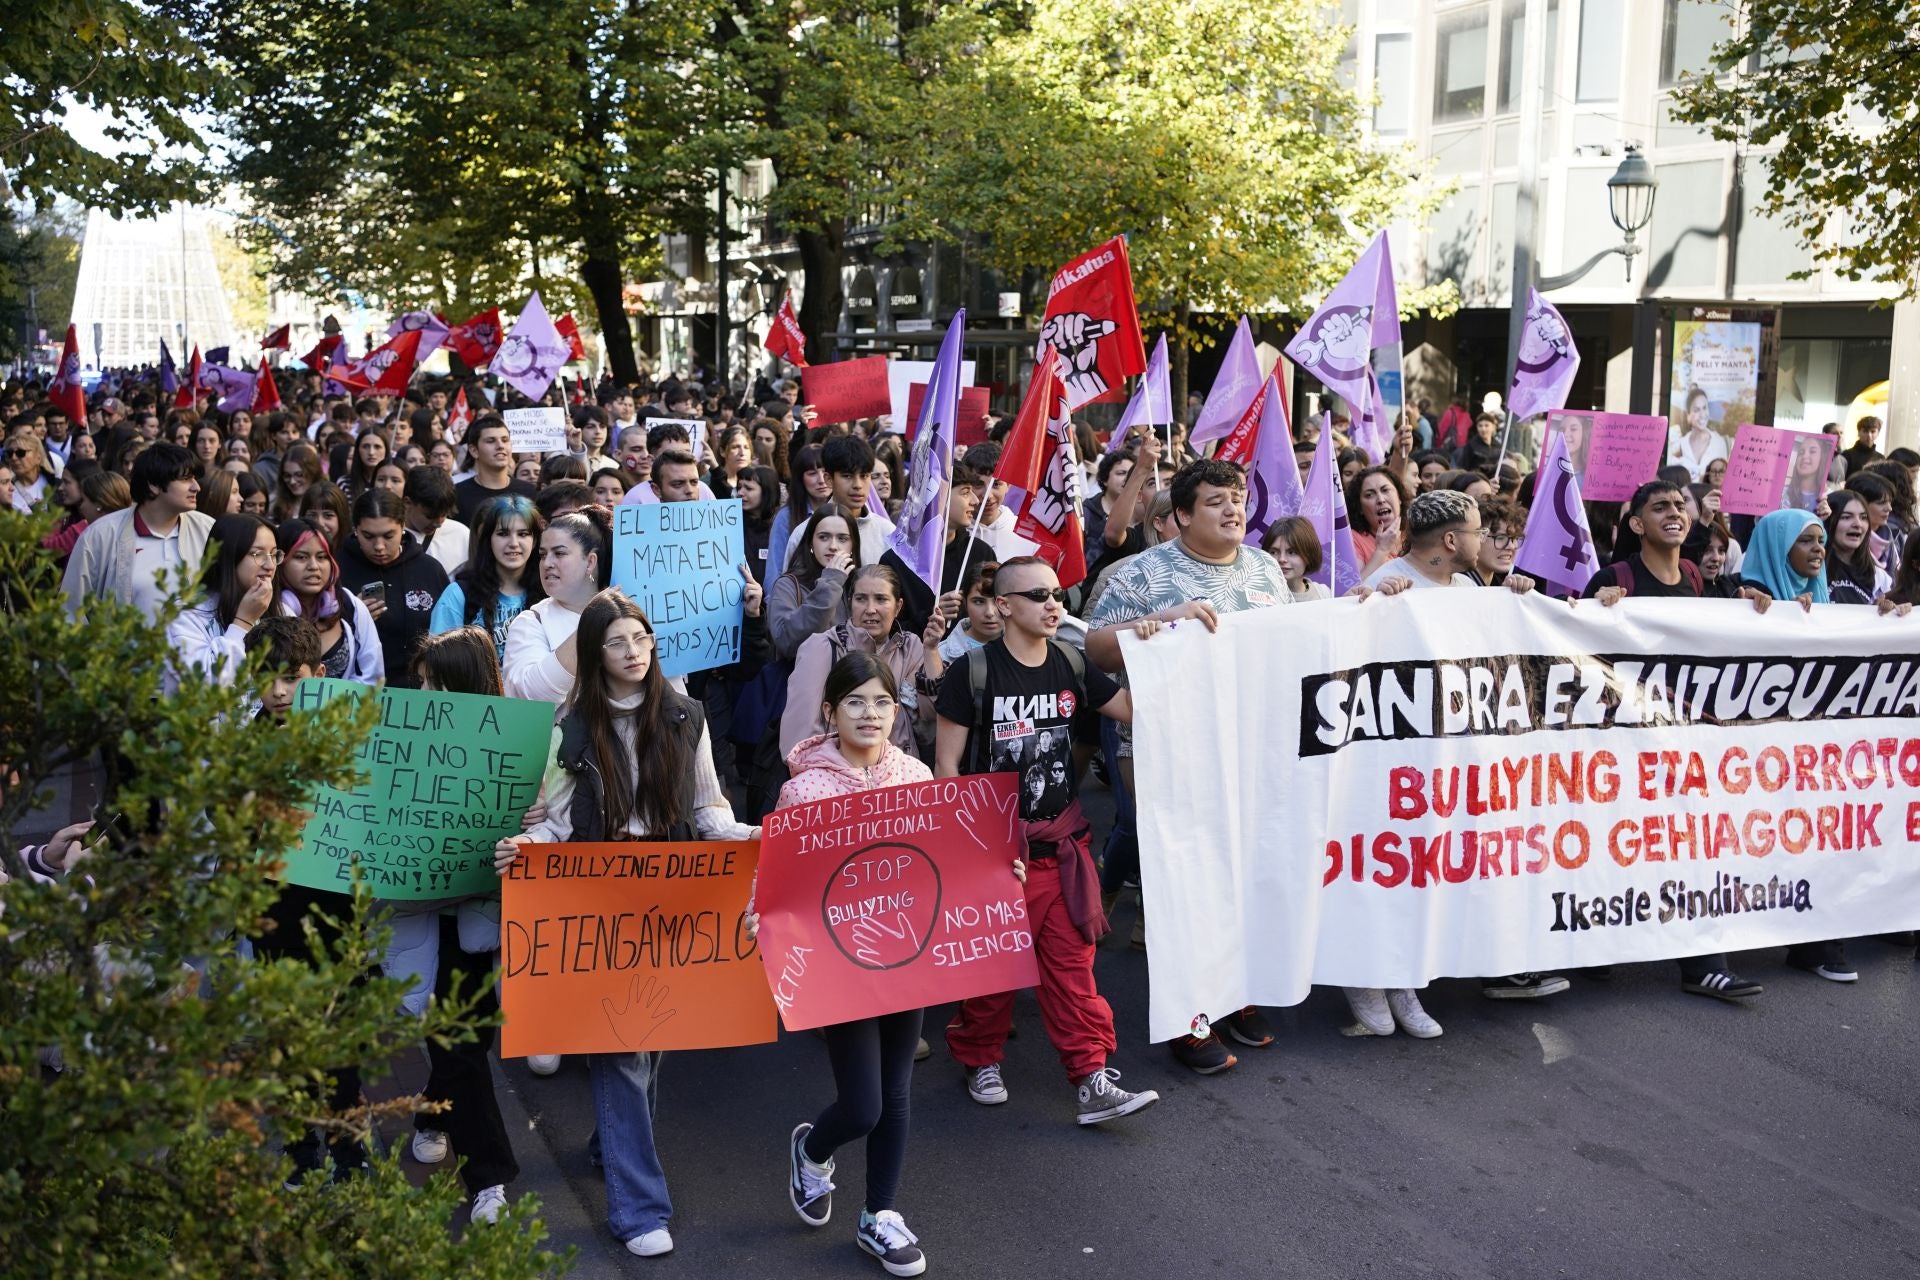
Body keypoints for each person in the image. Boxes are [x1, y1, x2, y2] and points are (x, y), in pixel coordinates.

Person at [495, 591, 758, 1259]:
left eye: (640, 637)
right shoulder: (568, 727)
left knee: (650, 1039)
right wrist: (526, 849)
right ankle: (639, 1208)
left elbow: (710, 814)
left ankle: (607, 1145)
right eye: (616, 642)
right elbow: (554, 820)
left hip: (669, 896)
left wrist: (764, 837)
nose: (633, 651)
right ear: (594, 653)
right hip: (596, 896)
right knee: (623, 1048)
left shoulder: (684, 715)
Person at [1084, 459, 1293, 1072]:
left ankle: (1235, 994)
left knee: (1239, 879)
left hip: (1247, 749)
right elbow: (1093, 647)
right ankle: (1189, 1016)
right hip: (1164, 753)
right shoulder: (1142, 574)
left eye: (1237, 499)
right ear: (1179, 514)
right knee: (1186, 886)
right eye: (1214, 502)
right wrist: (1156, 624)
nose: (1232, 510)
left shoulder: (1262, 568)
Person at [935, 557, 1159, 1126]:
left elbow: (1130, 709)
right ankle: (980, 1058)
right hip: (993, 853)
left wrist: (1155, 643)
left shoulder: (1071, 661)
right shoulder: (973, 672)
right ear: (1005, 606)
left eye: (1057, 593)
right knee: (993, 970)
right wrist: (975, 849)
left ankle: (1090, 1078)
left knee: (1072, 968)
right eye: (1037, 594)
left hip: (1061, 850)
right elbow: (947, 769)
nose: (1052, 602)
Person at [759, 653, 941, 1277]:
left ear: (899, 710)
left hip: (906, 958)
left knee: (896, 1094)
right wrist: (768, 915)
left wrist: (998, 877)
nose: (870, 714)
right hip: (840, 967)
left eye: (882, 702)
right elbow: (782, 881)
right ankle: (813, 1149)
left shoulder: (916, 776)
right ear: (831, 712)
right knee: (862, 1105)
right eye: (856, 703)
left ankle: (878, 1217)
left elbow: (947, 866)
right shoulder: (802, 789)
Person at [1583, 480, 1775, 1001]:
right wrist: (1597, 608)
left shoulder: (1698, 579)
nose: (1675, 512)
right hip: (1626, 748)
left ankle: (1704, 964)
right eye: (1660, 506)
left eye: (1679, 506)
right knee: (1615, 845)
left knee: (1693, 847)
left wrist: (1750, 604)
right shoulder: (1615, 577)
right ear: (1637, 524)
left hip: (1687, 749)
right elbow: (1573, 655)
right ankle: (1592, 946)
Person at [389, 627, 525, 1226]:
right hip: (422, 917)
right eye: (419, 683)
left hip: (480, 920)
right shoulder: (400, 741)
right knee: (453, 1043)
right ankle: (487, 1174)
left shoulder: (517, 746)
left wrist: (527, 833)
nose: (422, 694)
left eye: (432, 683)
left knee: (464, 1043)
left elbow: (540, 824)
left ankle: (444, 1125)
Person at [780, 564, 941, 759]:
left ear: (898, 607)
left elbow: (931, 716)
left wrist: (931, 650)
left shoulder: (911, 647)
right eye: (861, 599)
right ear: (850, 604)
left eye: (881, 599)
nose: (870, 609)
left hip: (898, 779)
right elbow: (800, 734)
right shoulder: (822, 646)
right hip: (836, 780)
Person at [62, 443, 212, 621]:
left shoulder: (208, 529)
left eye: (194, 478)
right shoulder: (100, 536)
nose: (196, 487)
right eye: (186, 479)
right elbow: (71, 611)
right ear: (154, 485)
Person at [334, 488, 449, 687]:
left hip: (418, 693)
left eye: (388, 536)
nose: (379, 546)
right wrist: (350, 615)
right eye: (368, 536)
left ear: (403, 527)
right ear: (355, 530)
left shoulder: (429, 570)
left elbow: (449, 636)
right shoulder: (336, 570)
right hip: (356, 690)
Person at [503, 507, 613, 704]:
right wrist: (592, 621)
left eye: (559, 553)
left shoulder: (628, 615)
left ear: (590, 562)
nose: (547, 563)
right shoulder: (532, 622)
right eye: (543, 555)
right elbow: (529, 699)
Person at [164, 513, 281, 693]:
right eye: (257, 554)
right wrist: (243, 622)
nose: (270, 565)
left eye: (274, 554)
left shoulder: (281, 611)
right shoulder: (185, 613)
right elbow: (205, 685)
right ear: (228, 556)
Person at [432, 494, 544, 661]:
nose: (513, 542)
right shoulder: (459, 594)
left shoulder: (550, 593)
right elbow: (438, 663)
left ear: (534, 541)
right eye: (503, 533)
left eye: (523, 534)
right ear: (488, 539)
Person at [274, 517, 384, 683]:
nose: (313, 566)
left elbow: (372, 676)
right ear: (280, 562)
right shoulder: (266, 610)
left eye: (322, 557)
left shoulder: (349, 604)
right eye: (301, 557)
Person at [780, 435, 894, 568]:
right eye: (847, 476)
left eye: (864, 476)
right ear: (829, 479)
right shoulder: (804, 533)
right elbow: (790, 586)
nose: (857, 485)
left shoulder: (887, 533)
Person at [767, 509, 856, 662]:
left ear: (853, 546)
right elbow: (787, 642)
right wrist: (831, 583)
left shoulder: (857, 585)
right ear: (811, 543)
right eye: (823, 537)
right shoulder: (787, 585)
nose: (833, 546)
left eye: (842, 539)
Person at [454, 416, 538, 523]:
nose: (500, 446)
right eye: (490, 441)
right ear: (474, 450)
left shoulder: (528, 491)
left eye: (505, 440)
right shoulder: (457, 495)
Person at [1823, 489, 1893, 606]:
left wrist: (1889, 609)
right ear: (1829, 522)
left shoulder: (1880, 579)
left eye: (1863, 517)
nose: (1857, 524)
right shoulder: (1812, 569)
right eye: (1846, 517)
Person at [767, 442, 831, 564]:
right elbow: (775, 568)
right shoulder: (786, 517)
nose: (822, 480)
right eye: (812, 474)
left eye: (826, 473)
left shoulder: (843, 510)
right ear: (800, 479)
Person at [404, 464, 470, 575]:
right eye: (430, 516)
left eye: (444, 514)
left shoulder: (462, 534)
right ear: (407, 503)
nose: (438, 523)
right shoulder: (389, 537)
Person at [1347, 465, 1409, 578]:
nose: (1381, 499)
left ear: (1399, 497)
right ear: (1360, 507)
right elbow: (1355, 590)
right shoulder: (1353, 539)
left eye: (1385, 490)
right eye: (1369, 495)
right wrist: (1382, 550)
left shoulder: (1416, 532)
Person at [935, 560, 1003, 661]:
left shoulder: (1029, 650)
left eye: (998, 601)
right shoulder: (940, 656)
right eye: (979, 601)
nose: (989, 612)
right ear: (964, 602)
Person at [1260, 516, 1331, 600]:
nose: (1282, 559)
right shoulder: (1259, 597)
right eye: (1273, 552)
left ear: (1309, 555)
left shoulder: (1323, 593)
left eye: (1291, 552)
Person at [1666, 387, 1728, 482]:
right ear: (1688, 415)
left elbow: (1724, 479)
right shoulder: (1680, 444)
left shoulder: (1719, 442)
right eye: (1696, 410)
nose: (1702, 414)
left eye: (1704, 408)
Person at [736, 464, 780, 586]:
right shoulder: (732, 524)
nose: (740, 492)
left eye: (748, 489)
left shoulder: (781, 526)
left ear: (767, 492)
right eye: (739, 487)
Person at [1471, 495, 1527, 587]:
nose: (1511, 546)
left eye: (1514, 538)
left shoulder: (1504, 585)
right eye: (1500, 538)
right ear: (1474, 537)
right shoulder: (1454, 587)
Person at [272, 443, 324, 522]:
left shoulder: (327, 502)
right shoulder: (275, 506)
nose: (292, 481)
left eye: (299, 475)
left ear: (313, 473)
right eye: (287, 476)